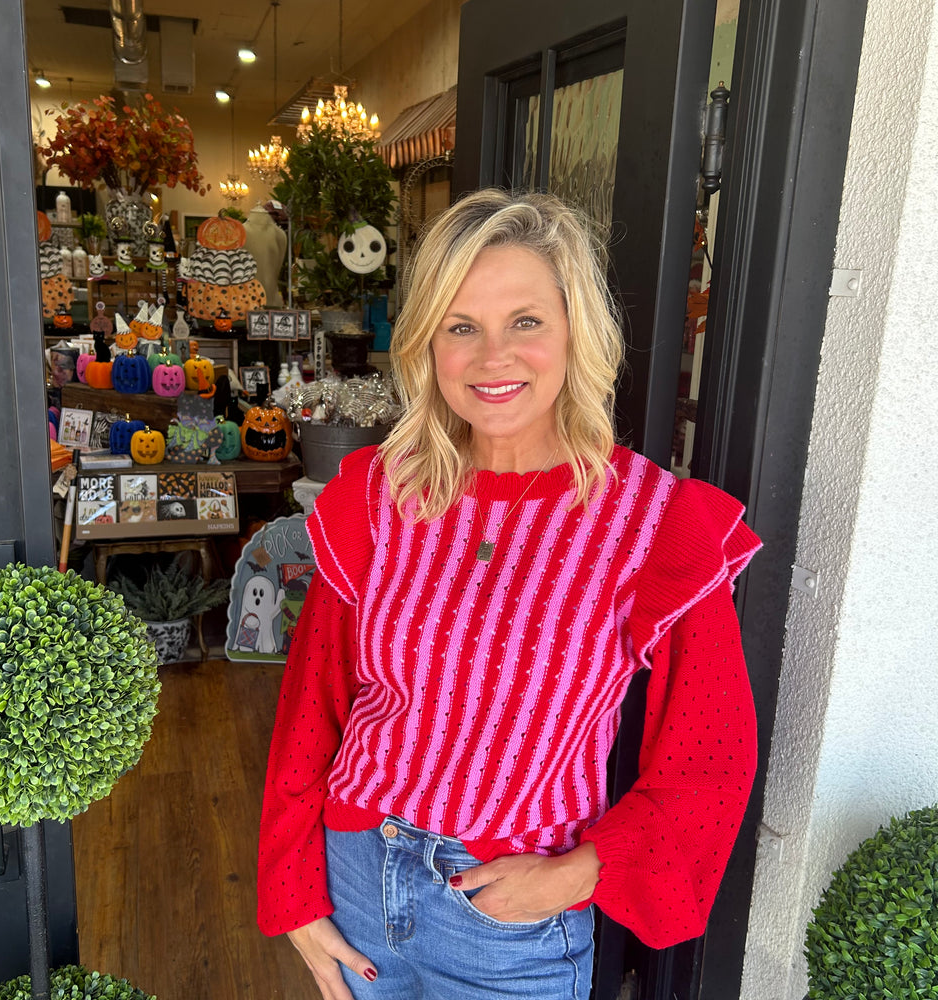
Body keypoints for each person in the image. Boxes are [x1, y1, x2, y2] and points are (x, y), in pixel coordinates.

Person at [257, 189, 760, 1000]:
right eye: (462, 326)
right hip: (356, 877)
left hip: (509, 920)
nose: (494, 356)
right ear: (429, 345)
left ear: (573, 334)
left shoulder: (654, 521)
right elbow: (311, 707)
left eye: (524, 321)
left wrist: (583, 874)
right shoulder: (378, 497)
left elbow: (709, 756)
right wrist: (293, 890)